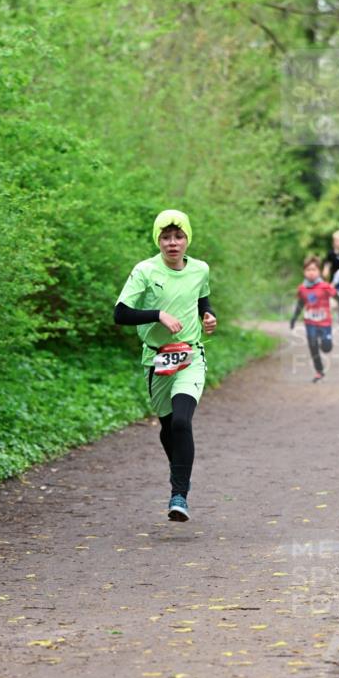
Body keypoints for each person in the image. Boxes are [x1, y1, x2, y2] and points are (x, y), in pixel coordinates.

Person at [114, 209, 216, 521]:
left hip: (190, 356)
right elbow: (121, 314)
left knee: (183, 422)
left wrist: (208, 315)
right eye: (166, 237)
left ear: (187, 239)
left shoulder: (200, 269)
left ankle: (179, 495)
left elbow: (202, 299)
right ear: (158, 240)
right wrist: (157, 314)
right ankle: (179, 472)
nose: (172, 243)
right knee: (169, 427)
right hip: (157, 358)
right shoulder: (145, 270)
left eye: (178, 236)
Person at [290, 254, 337, 383]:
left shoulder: (325, 286)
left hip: (325, 322)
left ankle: (325, 342)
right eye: (308, 270)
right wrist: (294, 318)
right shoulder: (302, 288)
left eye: (314, 269)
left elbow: (336, 296)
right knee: (312, 345)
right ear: (304, 272)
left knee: (326, 348)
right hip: (310, 321)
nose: (311, 273)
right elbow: (300, 303)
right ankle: (319, 371)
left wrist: (337, 303)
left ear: (319, 271)